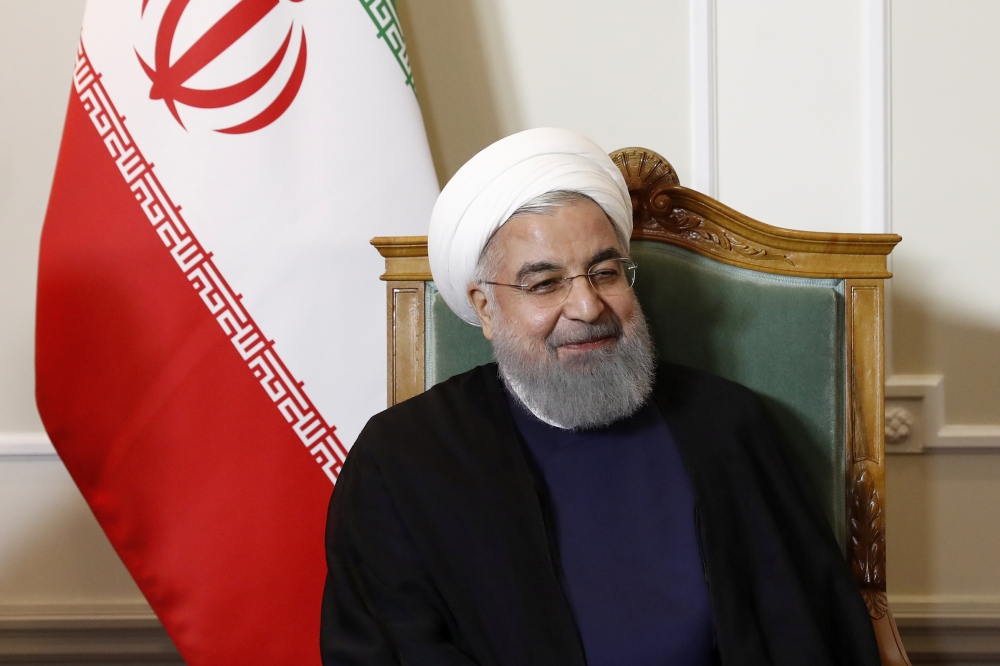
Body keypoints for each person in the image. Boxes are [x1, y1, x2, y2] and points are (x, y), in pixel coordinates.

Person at [320, 128, 880, 665]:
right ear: (486, 308)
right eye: (544, 284)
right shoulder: (401, 461)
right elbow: (386, 649)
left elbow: (812, 632)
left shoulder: (728, 428)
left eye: (605, 272)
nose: (588, 308)